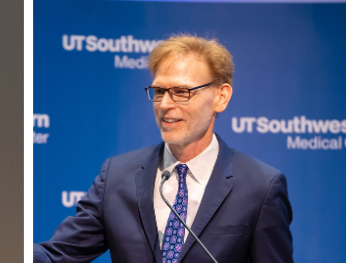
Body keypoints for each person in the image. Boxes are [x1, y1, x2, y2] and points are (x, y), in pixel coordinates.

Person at [33, 34, 293, 262]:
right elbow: (57, 255)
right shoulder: (117, 177)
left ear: (221, 97)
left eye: (181, 91)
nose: (165, 104)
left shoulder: (260, 187)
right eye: (158, 91)